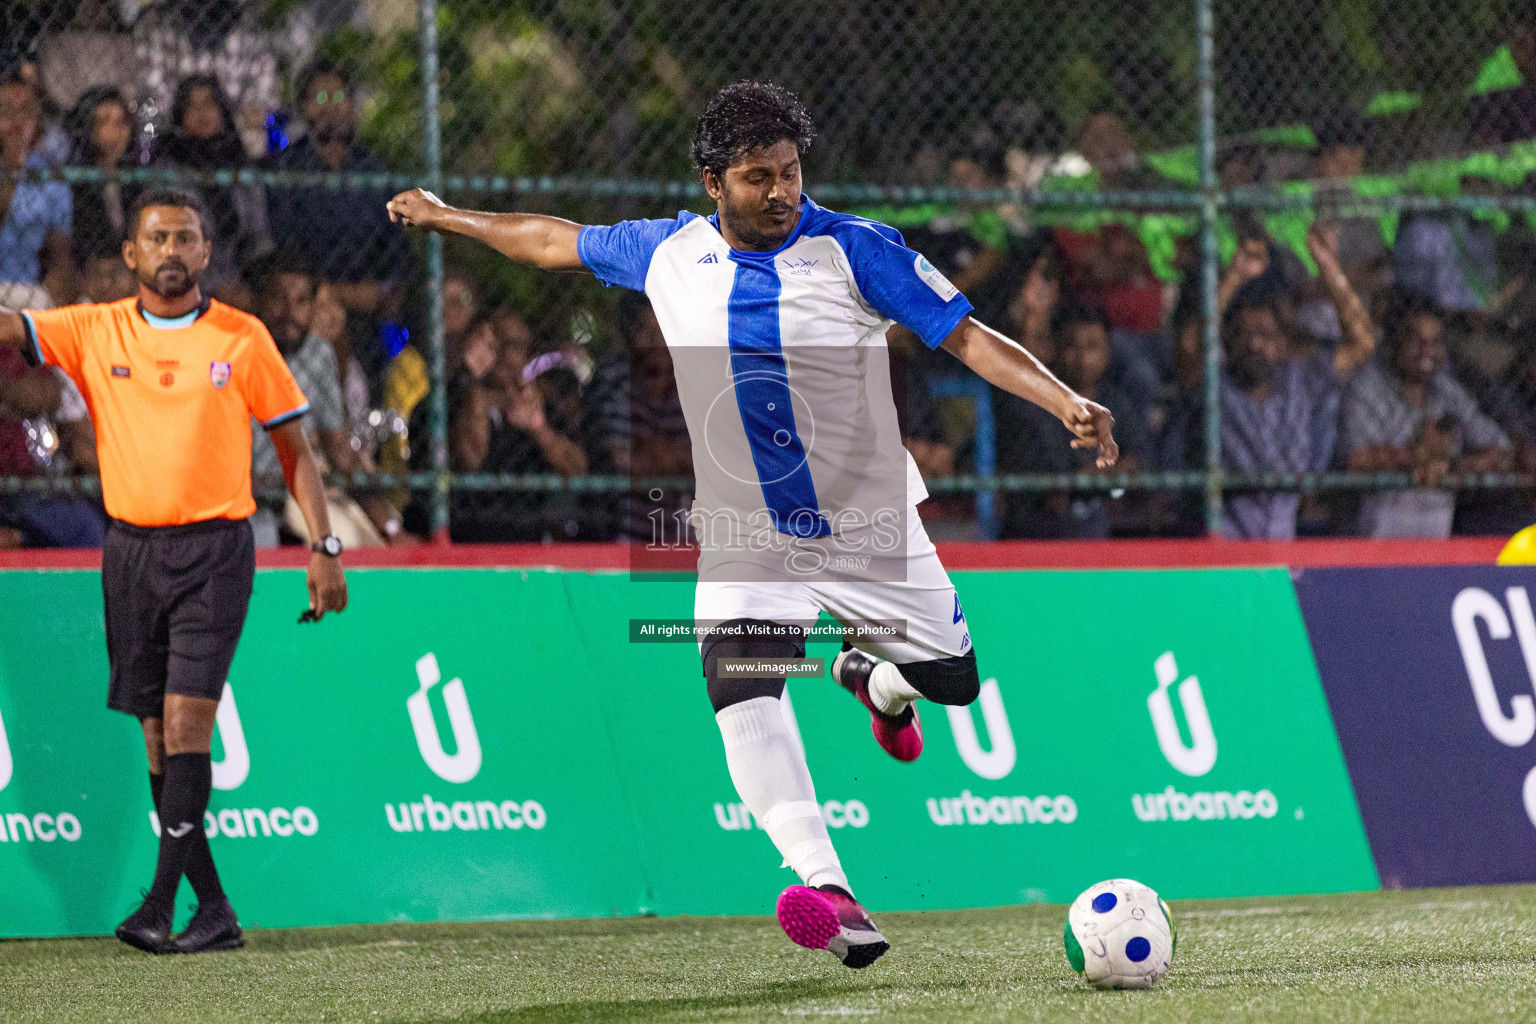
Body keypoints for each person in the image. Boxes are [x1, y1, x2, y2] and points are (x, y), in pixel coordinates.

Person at [387, 81, 1116, 968]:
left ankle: (874, 680)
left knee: (954, 682)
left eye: (791, 173)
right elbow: (550, 242)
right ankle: (828, 886)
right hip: (744, 530)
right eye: (758, 176)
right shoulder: (666, 252)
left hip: (867, 527)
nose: (781, 192)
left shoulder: (856, 250)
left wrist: (1065, 398)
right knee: (743, 688)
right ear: (712, 182)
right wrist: (445, 214)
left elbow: (966, 337)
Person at [0, 185, 348, 954]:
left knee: (191, 720)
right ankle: (215, 909)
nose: (171, 250)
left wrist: (324, 550)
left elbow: (297, 452)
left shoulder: (241, 337)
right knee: (159, 738)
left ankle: (158, 904)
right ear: (131, 254)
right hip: (130, 554)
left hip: (216, 553)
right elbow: (9, 327)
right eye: (156, 238)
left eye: (185, 237)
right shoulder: (93, 329)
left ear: (205, 251)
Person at [1176, 225, 1376, 539]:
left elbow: (1362, 342)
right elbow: (1190, 346)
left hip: (1282, 547)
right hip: (1220, 547)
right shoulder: (1216, 386)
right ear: (1228, 343)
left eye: (1265, 335)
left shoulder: (1299, 378)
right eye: (1245, 335)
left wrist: (1329, 269)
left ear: (1283, 342)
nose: (1255, 344)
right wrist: (1233, 278)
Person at [246, 248, 405, 547]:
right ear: (259, 302)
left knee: (360, 543)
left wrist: (392, 529)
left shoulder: (318, 355)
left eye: (301, 301)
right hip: (238, 500)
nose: (289, 312)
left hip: (289, 498)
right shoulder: (233, 349)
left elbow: (340, 453)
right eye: (278, 299)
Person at [269, 58, 411, 382]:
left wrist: (383, 292)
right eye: (320, 98)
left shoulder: (374, 170)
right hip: (310, 301)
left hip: (370, 302)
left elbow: (396, 249)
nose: (331, 107)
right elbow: (283, 242)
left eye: (339, 97)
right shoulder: (287, 169)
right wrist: (326, 293)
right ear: (303, 108)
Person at [1342, 289, 1513, 538]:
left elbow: (1503, 453)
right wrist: (1417, 456)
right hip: (1373, 540)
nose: (1426, 351)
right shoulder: (1367, 388)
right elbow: (1355, 460)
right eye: (1415, 340)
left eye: (1435, 342)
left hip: (1434, 542)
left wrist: (1451, 466)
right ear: (1394, 342)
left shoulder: (1449, 393)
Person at [995, 301, 1146, 539]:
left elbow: (1137, 460)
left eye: (1092, 347)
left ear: (1108, 350)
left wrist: (1092, 476)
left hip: (1100, 533)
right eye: (1072, 347)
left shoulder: (1117, 402)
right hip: (1039, 535)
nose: (1083, 359)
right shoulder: (1038, 400)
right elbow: (1046, 489)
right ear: (1057, 348)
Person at [150, 74, 269, 303]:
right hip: (190, 280)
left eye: (209, 103)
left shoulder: (240, 166)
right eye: (192, 106)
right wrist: (216, 287)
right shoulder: (167, 170)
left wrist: (260, 282)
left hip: (242, 276)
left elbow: (259, 236)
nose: (202, 113)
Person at [0, 72, 74, 304]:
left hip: (30, 288)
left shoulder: (50, 176)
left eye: (25, 110)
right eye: (6, 110)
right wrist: (12, 170)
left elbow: (60, 254)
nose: (16, 121)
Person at [65, 87, 140, 272]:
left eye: (120, 122)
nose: (112, 133)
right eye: (101, 122)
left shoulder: (136, 179)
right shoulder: (72, 182)